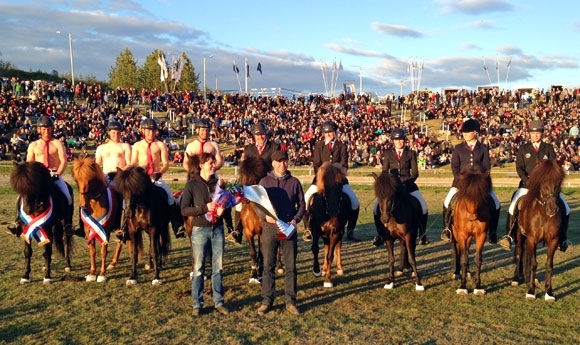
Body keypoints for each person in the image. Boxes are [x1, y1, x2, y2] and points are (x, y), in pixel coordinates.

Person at [498, 120, 572, 251]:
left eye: (538, 133)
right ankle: (508, 236)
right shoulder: (523, 148)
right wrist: (526, 180)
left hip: (546, 188)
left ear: (542, 133)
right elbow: (519, 167)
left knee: (566, 208)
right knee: (513, 205)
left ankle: (563, 238)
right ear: (529, 134)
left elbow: (553, 166)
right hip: (527, 186)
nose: (536, 135)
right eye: (533, 133)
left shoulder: (548, 148)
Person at [8, 116, 76, 237]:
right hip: (38, 177)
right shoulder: (33, 145)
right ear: (39, 129)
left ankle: (68, 225)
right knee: (20, 196)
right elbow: (29, 163)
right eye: (44, 129)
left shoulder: (58, 143)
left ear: (52, 129)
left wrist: (57, 174)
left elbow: (63, 161)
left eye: (48, 129)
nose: (46, 131)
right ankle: (18, 222)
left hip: (53, 174)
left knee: (67, 195)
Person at [256, 150, 305, 316]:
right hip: (269, 229)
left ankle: (290, 301)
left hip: (288, 228)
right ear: (273, 163)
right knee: (268, 265)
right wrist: (264, 217)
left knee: (290, 266)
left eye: (285, 161)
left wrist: (296, 220)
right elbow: (257, 205)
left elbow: (302, 205)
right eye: (280, 161)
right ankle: (267, 301)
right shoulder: (264, 182)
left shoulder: (295, 182)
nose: (283, 164)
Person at [180, 152, 230, 316]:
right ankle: (197, 303)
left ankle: (218, 301)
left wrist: (223, 210)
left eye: (214, 162)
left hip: (217, 230)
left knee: (218, 268)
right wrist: (203, 209)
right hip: (200, 230)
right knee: (199, 268)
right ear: (201, 165)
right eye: (210, 162)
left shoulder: (219, 184)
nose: (213, 165)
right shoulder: (191, 185)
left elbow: (225, 202)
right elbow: (184, 209)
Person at [440, 118, 500, 243]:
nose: (465, 134)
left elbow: (486, 167)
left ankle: (493, 232)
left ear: (475, 132)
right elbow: (455, 167)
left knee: (496, 202)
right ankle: (447, 229)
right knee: (447, 202)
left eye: (467, 132)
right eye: (463, 132)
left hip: (479, 186)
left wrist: (481, 183)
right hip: (460, 184)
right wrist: (461, 181)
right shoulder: (458, 148)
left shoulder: (483, 148)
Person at [303, 120, 360, 242]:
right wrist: (322, 176)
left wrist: (336, 175)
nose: (328, 134)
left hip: (339, 181)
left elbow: (344, 165)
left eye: (331, 132)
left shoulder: (342, 146)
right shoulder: (319, 145)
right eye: (326, 132)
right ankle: (308, 229)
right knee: (305, 199)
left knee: (355, 202)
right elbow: (316, 164)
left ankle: (350, 230)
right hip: (320, 181)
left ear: (335, 132)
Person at [127, 118, 185, 239]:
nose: (150, 133)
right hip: (142, 179)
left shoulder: (160, 145)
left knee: (169, 197)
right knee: (127, 200)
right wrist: (124, 170)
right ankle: (124, 228)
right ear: (143, 130)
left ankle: (176, 224)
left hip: (156, 178)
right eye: (148, 131)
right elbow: (133, 163)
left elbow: (166, 163)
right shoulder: (137, 145)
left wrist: (160, 172)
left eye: (153, 131)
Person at [372, 128, 430, 246]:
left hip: (408, 185)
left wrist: (408, 182)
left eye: (401, 140)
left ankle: (422, 234)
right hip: (392, 187)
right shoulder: (388, 153)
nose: (399, 142)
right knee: (376, 208)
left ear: (404, 140)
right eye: (396, 140)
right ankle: (380, 234)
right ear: (393, 141)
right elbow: (384, 172)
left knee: (423, 207)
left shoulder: (411, 153)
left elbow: (415, 173)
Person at [227, 122, 280, 244]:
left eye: (262, 134)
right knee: (239, 202)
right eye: (257, 135)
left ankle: (279, 228)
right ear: (253, 136)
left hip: (267, 182)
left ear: (266, 134)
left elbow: (275, 166)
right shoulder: (249, 149)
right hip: (251, 184)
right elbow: (244, 167)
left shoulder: (273, 147)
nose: (260, 137)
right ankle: (238, 230)